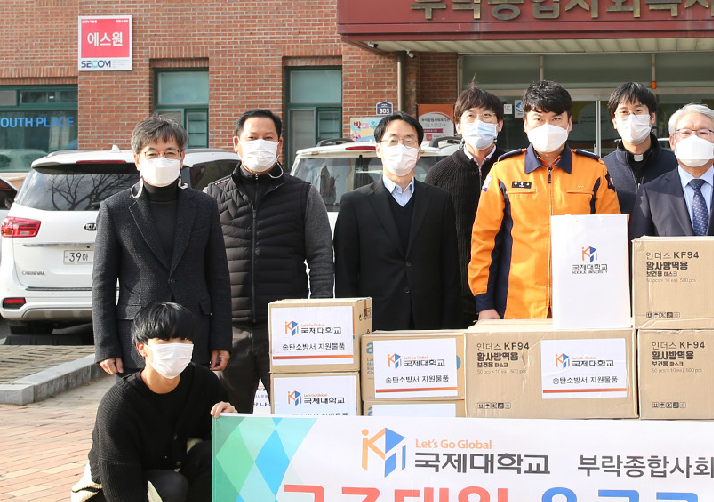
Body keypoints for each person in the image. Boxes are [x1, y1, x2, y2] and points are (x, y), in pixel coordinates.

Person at [70, 301, 237, 502]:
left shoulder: (203, 384)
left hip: (171, 476)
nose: (176, 347)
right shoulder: (119, 405)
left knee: (212, 456)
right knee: (171, 486)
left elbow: (217, 448)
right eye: (165, 340)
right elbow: (123, 491)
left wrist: (230, 423)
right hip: (114, 496)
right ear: (142, 348)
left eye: (184, 339)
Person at [204, 109, 334, 414]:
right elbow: (202, 262)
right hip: (230, 331)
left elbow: (320, 257)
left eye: (268, 138)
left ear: (279, 144)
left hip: (286, 329)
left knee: (294, 419)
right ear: (237, 143)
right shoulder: (212, 195)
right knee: (229, 422)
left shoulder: (303, 194)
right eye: (252, 138)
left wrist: (319, 315)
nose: (259, 144)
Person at [92, 116, 232, 376]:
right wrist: (106, 346)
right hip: (138, 337)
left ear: (181, 158)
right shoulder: (116, 208)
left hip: (193, 334)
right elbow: (103, 281)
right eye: (152, 153)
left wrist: (221, 340)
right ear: (137, 159)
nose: (161, 159)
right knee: (140, 413)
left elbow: (219, 277)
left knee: (191, 410)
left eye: (169, 152)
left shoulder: (203, 206)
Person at [470, 80, 620, 319]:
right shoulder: (504, 171)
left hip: (580, 304)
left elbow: (610, 240)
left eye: (556, 119)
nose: (547, 126)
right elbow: (484, 240)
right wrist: (484, 303)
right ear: (526, 125)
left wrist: (608, 299)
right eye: (538, 119)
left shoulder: (594, 170)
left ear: (569, 123)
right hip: (516, 305)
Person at [334, 112, 463, 330]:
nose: (401, 147)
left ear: (418, 151)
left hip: (429, 319)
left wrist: (450, 324)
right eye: (392, 140)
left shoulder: (439, 200)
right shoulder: (354, 203)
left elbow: (450, 268)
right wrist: (351, 326)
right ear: (378, 149)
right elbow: (345, 273)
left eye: (409, 140)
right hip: (377, 320)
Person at [425, 83, 505, 325]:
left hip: (507, 287)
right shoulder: (439, 174)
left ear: (499, 124)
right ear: (458, 126)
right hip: (456, 291)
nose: (478, 122)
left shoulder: (514, 167)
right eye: (470, 116)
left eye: (487, 116)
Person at [630, 103, 714, 238]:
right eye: (685, 133)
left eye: (703, 132)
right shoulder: (651, 193)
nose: (694, 139)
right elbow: (640, 250)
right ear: (672, 142)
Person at [601, 81, 677, 214]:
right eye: (624, 112)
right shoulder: (603, 168)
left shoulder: (675, 164)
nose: (632, 118)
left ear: (652, 117)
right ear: (614, 121)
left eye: (638, 111)